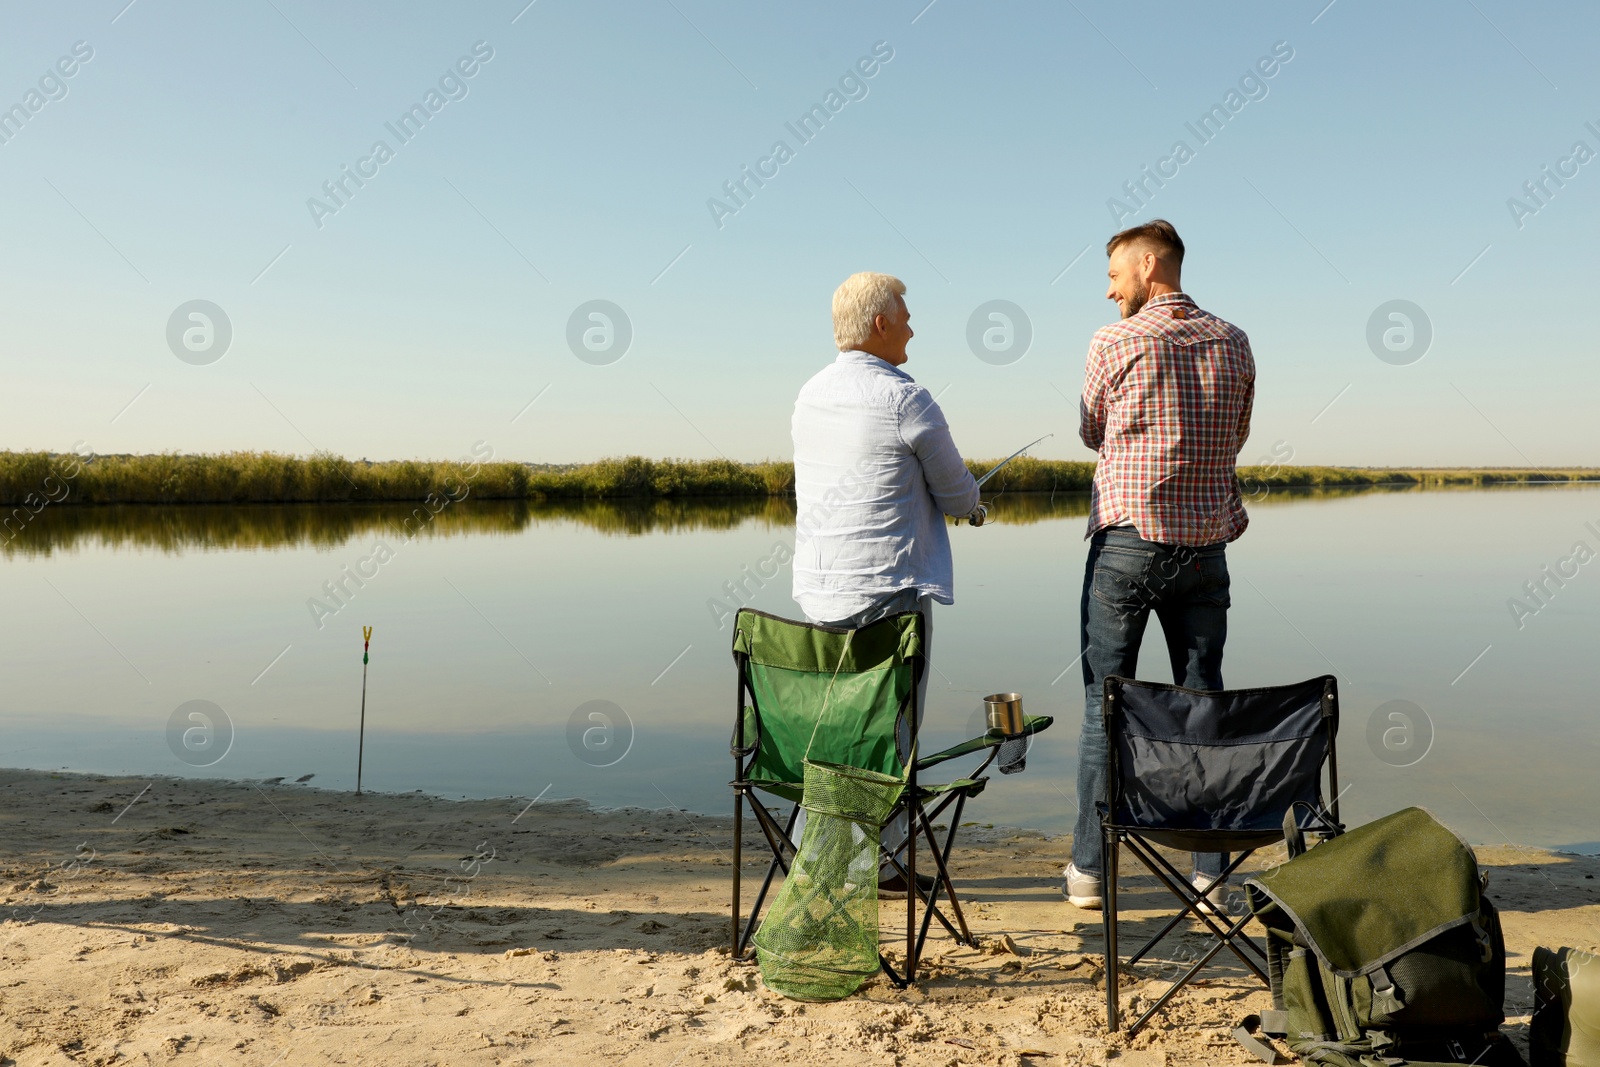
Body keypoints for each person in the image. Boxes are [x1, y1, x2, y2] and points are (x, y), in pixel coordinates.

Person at [1062, 220, 1256, 912]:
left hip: (1128, 545)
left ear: (1149, 267)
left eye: (1114, 273)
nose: (1108, 287)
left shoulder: (1113, 340)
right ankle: (1209, 872)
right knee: (1200, 703)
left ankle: (1090, 869)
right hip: (1205, 549)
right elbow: (1236, 434)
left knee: (1103, 703)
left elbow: (1090, 430)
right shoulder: (1233, 340)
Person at [791, 271, 984, 896]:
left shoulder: (809, 394)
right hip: (888, 592)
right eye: (904, 315)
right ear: (879, 323)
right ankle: (883, 861)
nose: (911, 327)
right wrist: (975, 508)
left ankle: (812, 850)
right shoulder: (907, 398)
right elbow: (956, 492)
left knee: (833, 723)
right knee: (891, 728)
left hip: (820, 591)